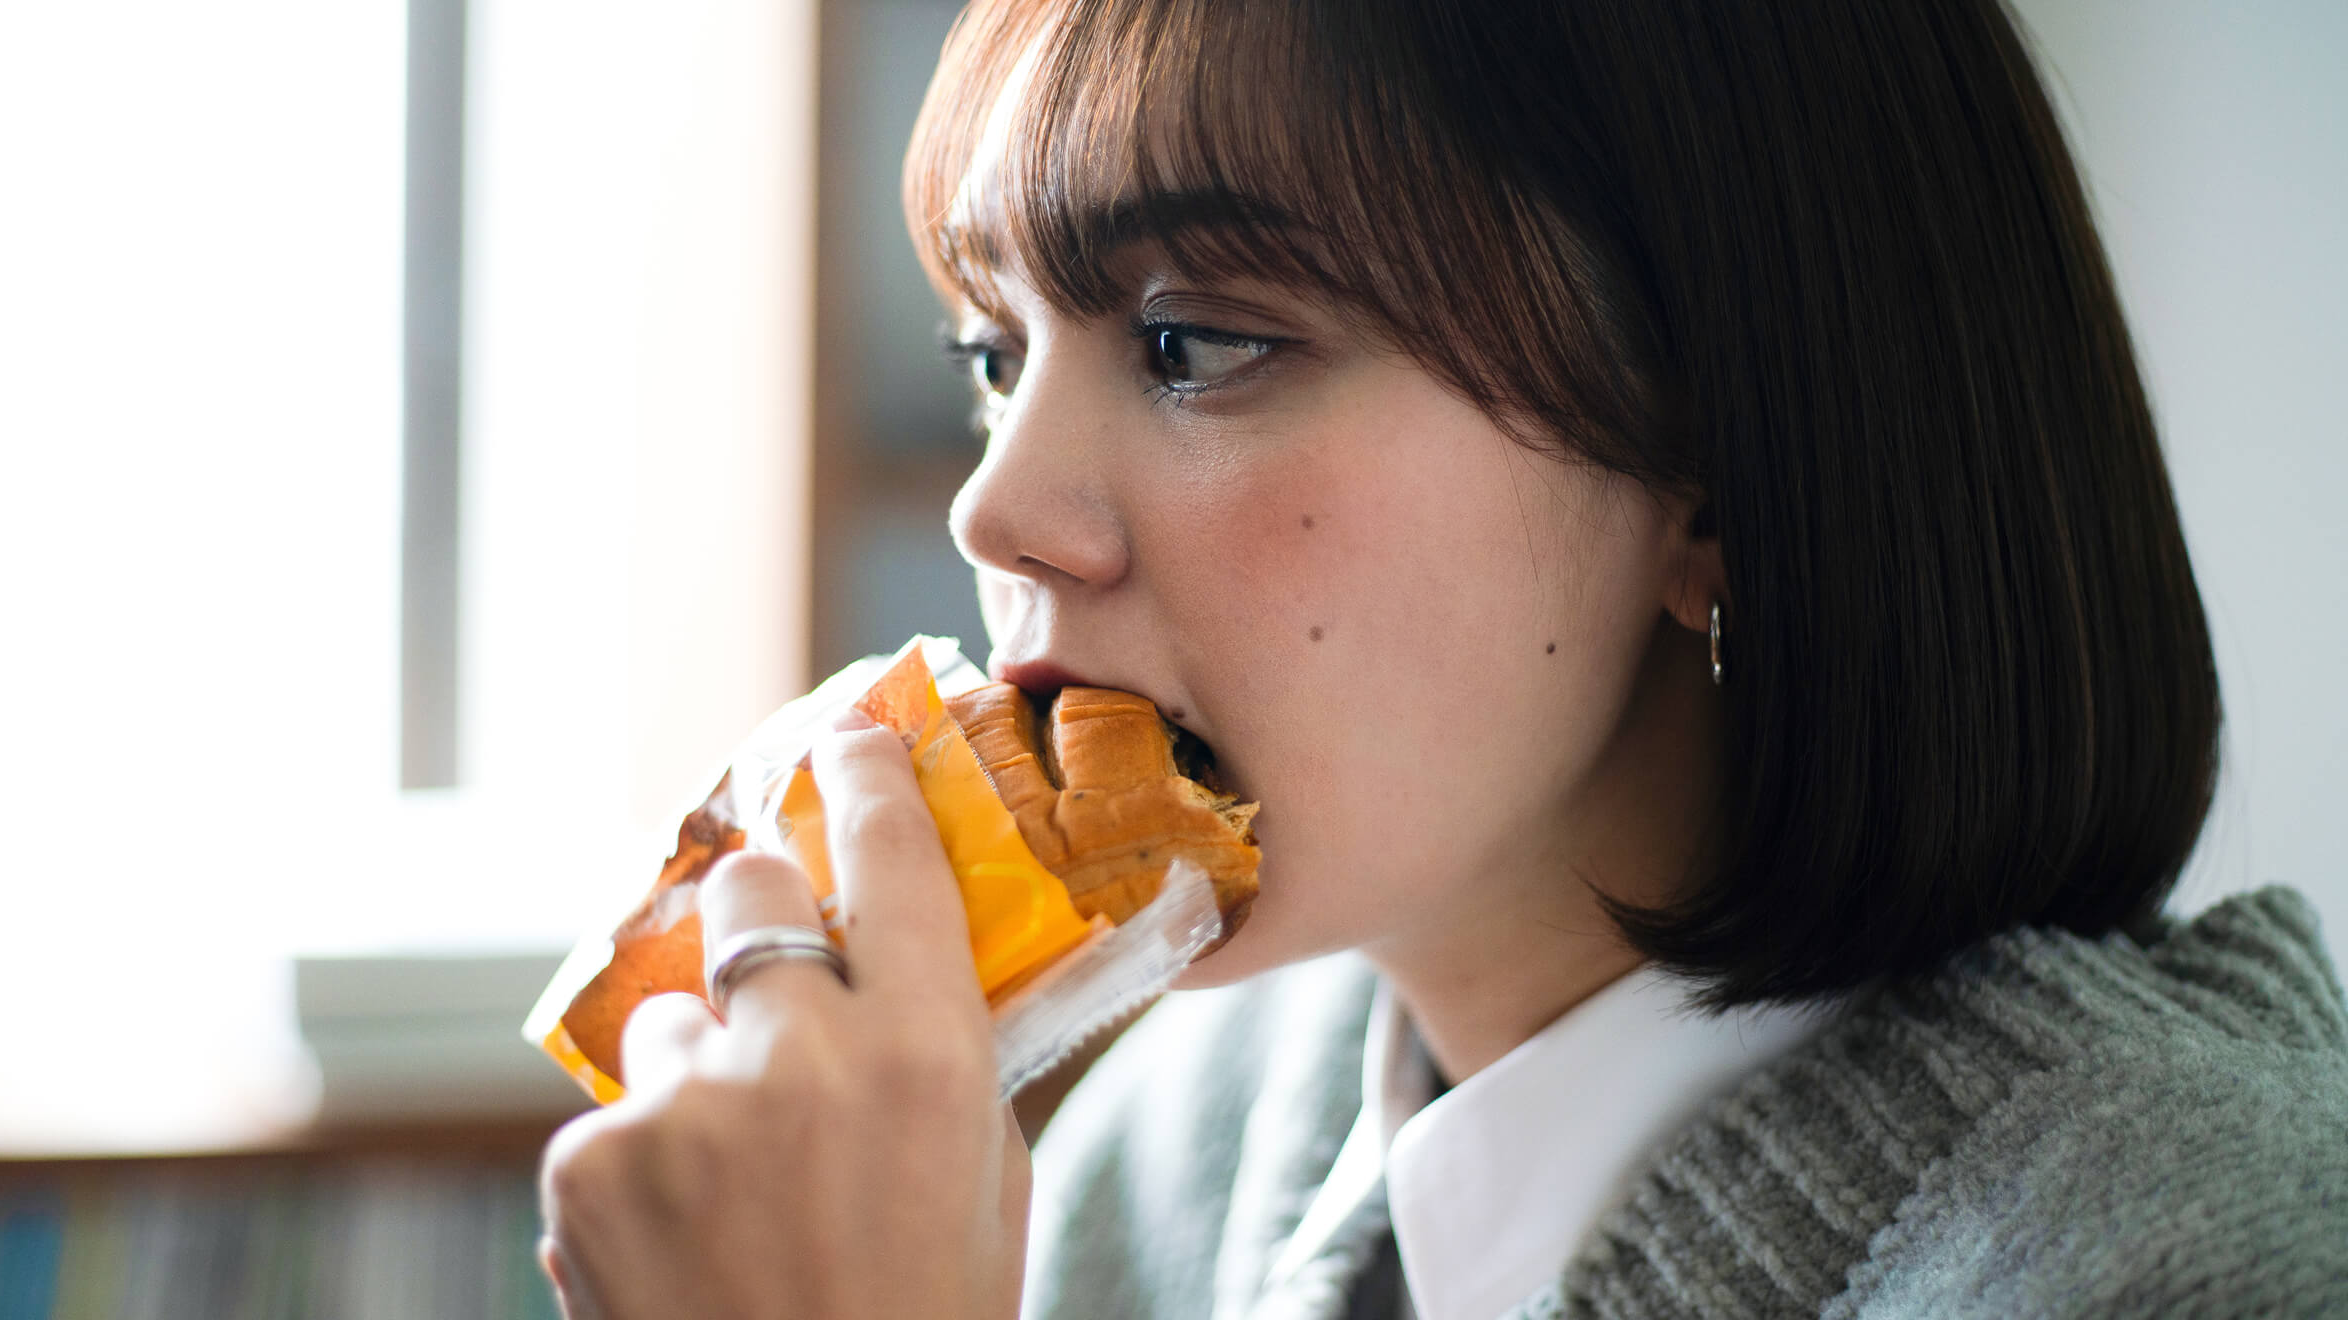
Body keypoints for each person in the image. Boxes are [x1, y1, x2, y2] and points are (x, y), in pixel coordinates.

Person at [537, 0, 2348, 1315]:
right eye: (993, 355)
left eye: (1195, 341)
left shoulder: (2192, 1264)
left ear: (1717, 464)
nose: (998, 513)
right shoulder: (1173, 1159)